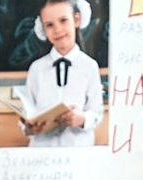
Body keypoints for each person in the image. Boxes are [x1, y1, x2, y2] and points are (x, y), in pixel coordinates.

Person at [19, 0, 105, 148]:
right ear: (43, 29)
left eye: (63, 20)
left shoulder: (89, 66)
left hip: (77, 150)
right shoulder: (37, 68)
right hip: (42, 152)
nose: (57, 29)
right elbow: (27, 110)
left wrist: (82, 118)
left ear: (76, 20)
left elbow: (97, 112)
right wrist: (29, 127)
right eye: (49, 25)